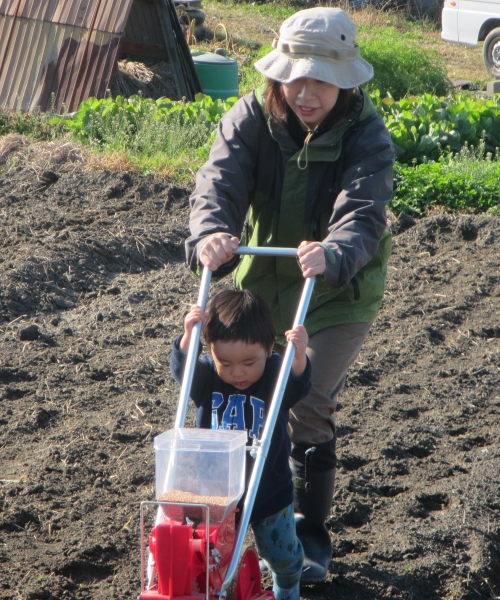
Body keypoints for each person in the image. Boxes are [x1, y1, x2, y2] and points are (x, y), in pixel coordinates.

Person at [184, 7, 394, 584]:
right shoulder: (251, 115)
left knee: (304, 401)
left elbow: (363, 209)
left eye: (321, 80)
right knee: (231, 390)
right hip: (264, 278)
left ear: (345, 81)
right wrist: (210, 236)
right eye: (295, 78)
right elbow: (218, 181)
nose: (306, 92)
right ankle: (218, 523)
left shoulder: (367, 135)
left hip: (336, 288)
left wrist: (335, 252)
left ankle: (307, 538)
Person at [170, 289, 311, 600]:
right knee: (211, 562)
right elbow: (183, 372)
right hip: (215, 493)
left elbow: (297, 385)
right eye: (226, 362)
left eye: (249, 362)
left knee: (284, 558)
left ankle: (287, 588)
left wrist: (298, 355)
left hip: (268, 490)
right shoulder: (207, 375)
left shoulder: (274, 374)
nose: (237, 373)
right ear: (210, 352)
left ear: (269, 349)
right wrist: (187, 338)